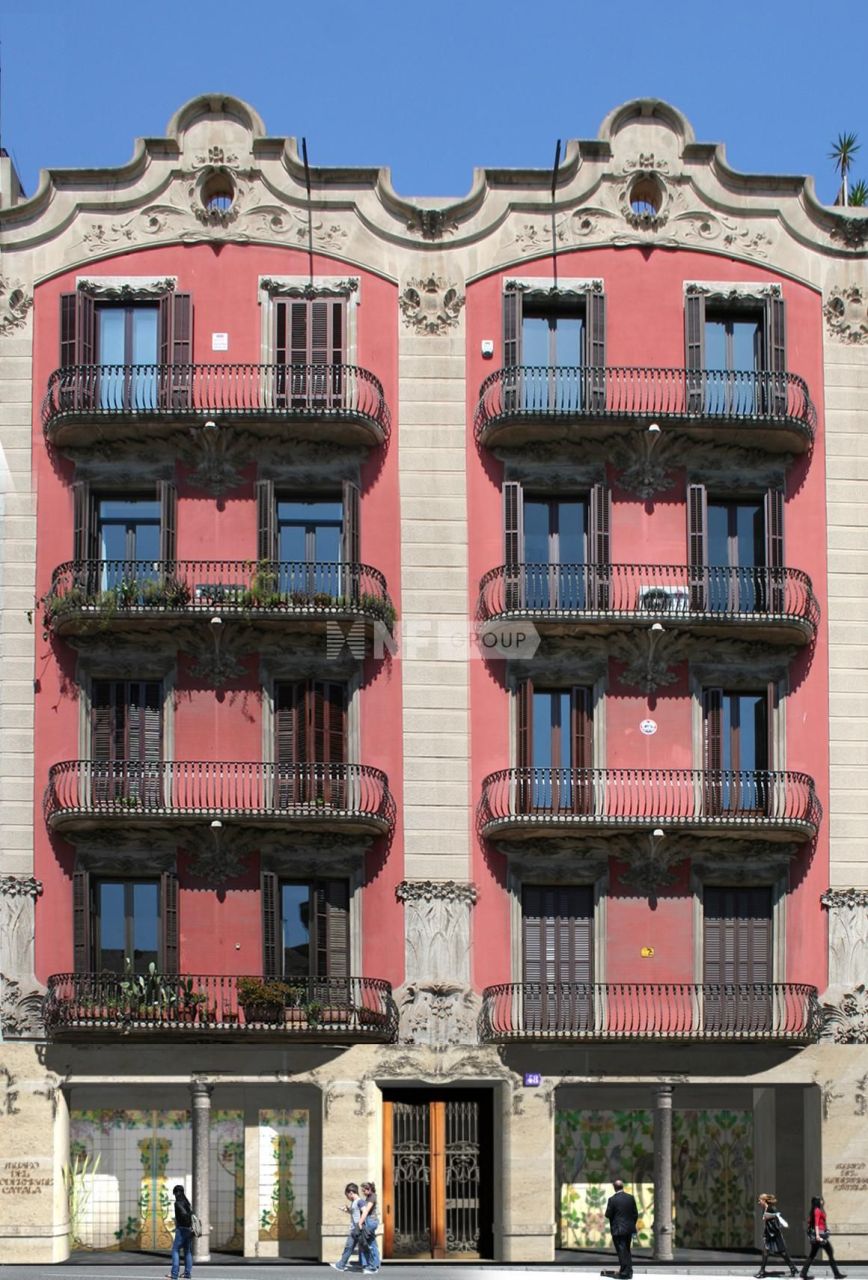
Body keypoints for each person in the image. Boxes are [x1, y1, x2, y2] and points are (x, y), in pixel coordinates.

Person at [801, 1196, 846, 1279]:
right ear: (818, 1201)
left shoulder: (814, 1210)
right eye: (821, 1200)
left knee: (813, 1255)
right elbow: (816, 1224)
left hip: (820, 1234)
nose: (822, 1201)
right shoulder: (817, 1211)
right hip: (820, 1235)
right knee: (830, 1252)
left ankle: (803, 1273)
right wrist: (817, 1235)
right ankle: (836, 1274)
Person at [757, 1193, 798, 1279]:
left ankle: (792, 1268)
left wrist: (772, 1216)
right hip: (769, 1234)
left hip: (775, 1234)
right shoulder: (765, 1208)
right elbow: (765, 1220)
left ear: (764, 1200)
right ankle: (762, 1271)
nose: (759, 1202)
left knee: (782, 1252)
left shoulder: (771, 1208)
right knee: (765, 1252)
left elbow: (776, 1217)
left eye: (760, 1200)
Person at [605, 1178, 639, 1280]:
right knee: (627, 1250)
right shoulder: (630, 1198)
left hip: (618, 1230)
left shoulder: (612, 1200)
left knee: (621, 1251)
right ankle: (629, 1271)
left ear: (614, 1187)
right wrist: (631, 1224)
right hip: (628, 1229)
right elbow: (635, 1214)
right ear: (622, 1187)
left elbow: (608, 1214)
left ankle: (625, 1273)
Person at [331, 1183, 364, 1272]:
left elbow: (364, 1212)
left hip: (356, 1228)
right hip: (356, 1228)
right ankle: (362, 1265)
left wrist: (360, 1224)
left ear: (351, 1193)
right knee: (359, 1247)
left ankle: (341, 1265)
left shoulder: (359, 1201)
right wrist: (347, 1210)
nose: (347, 1197)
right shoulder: (354, 1202)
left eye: (347, 1195)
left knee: (349, 1247)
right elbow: (355, 1213)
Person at [168, 1184, 194, 1280]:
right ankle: (187, 1274)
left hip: (182, 1229)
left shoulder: (178, 1203)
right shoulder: (187, 1202)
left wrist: (179, 1222)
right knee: (187, 1251)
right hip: (189, 1229)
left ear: (176, 1193)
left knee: (175, 1250)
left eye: (174, 1193)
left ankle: (174, 1275)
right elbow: (190, 1214)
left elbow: (183, 1215)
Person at [358, 1180, 380, 1275]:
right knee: (372, 1242)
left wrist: (360, 1222)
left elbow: (366, 1210)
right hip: (371, 1221)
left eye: (364, 1190)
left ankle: (370, 1266)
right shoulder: (370, 1197)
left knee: (364, 1242)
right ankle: (375, 1264)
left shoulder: (372, 1197)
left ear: (369, 1189)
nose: (363, 1192)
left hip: (370, 1221)